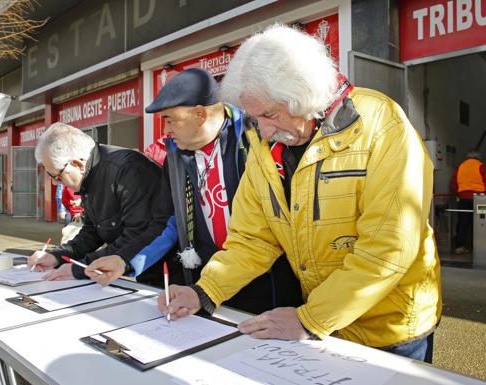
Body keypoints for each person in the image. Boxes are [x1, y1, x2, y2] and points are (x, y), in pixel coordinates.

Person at [158, 24, 441, 363]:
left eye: (269, 114)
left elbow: (387, 250)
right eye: (253, 117)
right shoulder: (266, 147)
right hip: (325, 324)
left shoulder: (384, 128)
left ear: (303, 95)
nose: (262, 130)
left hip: (390, 330)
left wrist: (309, 318)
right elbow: (252, 240)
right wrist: (205, 291)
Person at [84, 68, 302, 315]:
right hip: (208, 282)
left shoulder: (257, 139)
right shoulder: (175, 157)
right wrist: (125, 261)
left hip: (269, 283)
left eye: (170, 119)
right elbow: (167, 224)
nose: (166, 130)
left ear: (200, 114)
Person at [27, 123, 161, 282]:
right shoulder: (91, 174)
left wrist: (80, 268)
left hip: (169, 273)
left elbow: (139, 235)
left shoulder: (129, 170)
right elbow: (92, 231)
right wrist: (57, 256)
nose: (55, 183)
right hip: (140, 268)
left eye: (57, 176)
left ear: (78, 164)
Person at [450, 150, 486, 254]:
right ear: (478, 157)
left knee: (463, 222)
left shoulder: (460, 166)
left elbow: (453, 184)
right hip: (481, 200)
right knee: (481, 222)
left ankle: (459, 246)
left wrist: (459, 194)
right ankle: (480, 248)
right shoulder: (482, 166)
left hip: (464, 200)